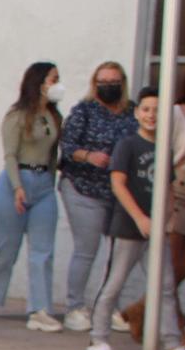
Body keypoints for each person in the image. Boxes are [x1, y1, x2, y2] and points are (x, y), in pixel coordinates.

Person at [84, 88, 185, 350]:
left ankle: (172, 347)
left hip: (157, 230)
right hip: (127, 227)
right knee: (114, 284)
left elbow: (168, 188)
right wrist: (139, 218)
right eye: (146, 109)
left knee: (165, 287)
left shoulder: (164, 149)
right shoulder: (128, 145)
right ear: (137, 113)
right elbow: (118, 184)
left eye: (157, 110)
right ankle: (98, 341)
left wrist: (167, 218)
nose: (151, 115)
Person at [118, 58, 185, 350]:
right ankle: (177, 335)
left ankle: (138, 311)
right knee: (169, 270)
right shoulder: (174, 114)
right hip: (176, 192)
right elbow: (160, 150)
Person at [0, 61, 63, 330]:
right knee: (6, 247)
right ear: (38, 83)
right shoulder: (16, 116)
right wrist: (17, 187)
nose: (57, 84)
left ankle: (39, 310)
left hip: (44, 184)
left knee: (43, 250)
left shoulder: (53, 116)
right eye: (53, 79)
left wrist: (52, 181)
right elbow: (10, 154)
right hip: (16, 181)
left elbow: (52, 154)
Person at [58, 62, 135, 331]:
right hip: (83, 187)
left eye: (114, 81)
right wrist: (89, 156)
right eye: (103, 81)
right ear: (94, 83)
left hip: (119, 192)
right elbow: (67, 146)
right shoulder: (84, 111)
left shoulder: (132, 112)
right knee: (87, 249)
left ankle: (108, 305)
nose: (108, 86)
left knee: (117, 254)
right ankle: (75, 306)